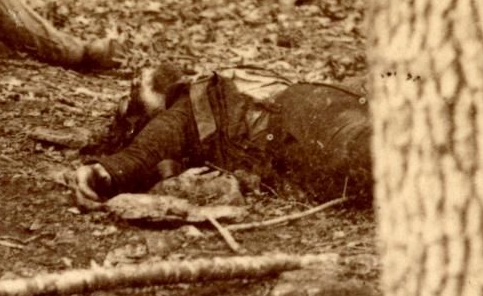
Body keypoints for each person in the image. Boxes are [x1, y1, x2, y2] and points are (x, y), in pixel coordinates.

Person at [72, 63, 373, 208]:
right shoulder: (223, 82)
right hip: (318, 101)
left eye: (137, 94)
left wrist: (105, 172)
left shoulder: (185, 107)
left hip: (298, 124)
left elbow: (145, 150)